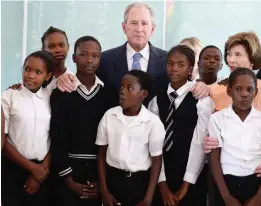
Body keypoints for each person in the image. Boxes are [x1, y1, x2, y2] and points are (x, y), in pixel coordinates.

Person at [56, 3, 209, 106]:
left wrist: (201, 84)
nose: (139, 29)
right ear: (124, 27)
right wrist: (65, 77)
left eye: (144, 23)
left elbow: (186, 84)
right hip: (115, 139)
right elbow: (86, 80)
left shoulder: (169, 61)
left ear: (152, 29)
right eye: (133, 23)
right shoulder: (105, 59)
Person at [50, 36, 114, 206]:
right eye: (84, 55)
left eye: (95, 56)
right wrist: (68, 180)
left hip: (98, 174)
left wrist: (102, 181)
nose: (89, 60)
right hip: (68, 173)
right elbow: (57, 137)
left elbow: (111, 140)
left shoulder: (109, 95)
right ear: (74, 58)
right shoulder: (61, 93)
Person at [149, 45, 212, 206]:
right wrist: (161, 183)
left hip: (192, 173)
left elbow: (200, 141)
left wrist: (186, 184)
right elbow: (153, 144)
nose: (174, 69)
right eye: (170, 64)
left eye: (181, 65)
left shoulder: (201, 100)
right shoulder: (157, 100)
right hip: (162, 173)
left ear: (190, 69)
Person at [209, 68, 261, 206]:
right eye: (238, 89)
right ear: (229, 91)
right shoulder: (217, 119)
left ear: (256, 92)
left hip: (255, 183)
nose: (244, 94)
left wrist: (259, 197)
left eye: (250, 89)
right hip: (225, 183)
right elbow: (214, 158)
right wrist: (226, 197)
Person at [96, 70, 165, 206]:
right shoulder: (109, 116)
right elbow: (101, 154)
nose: (122, 91)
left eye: (129, 88)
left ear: (143, 94)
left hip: (139, 183)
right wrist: (104, 190)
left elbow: (156, 160)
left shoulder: (152, 122)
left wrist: (148, 198)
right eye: (122, 86)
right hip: (113, 180)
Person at [1, 50, 54, 206]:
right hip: (12, 167)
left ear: (48, 75)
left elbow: (54, 136)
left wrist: (41, 170)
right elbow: (2, 141)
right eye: (27, 69)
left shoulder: (52, 98)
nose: (30, 75)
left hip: (44, 169)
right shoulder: (9, 96)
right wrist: (32, 168)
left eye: (38, 72)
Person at [8, 26, 71, 94]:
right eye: (51, 46)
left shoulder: (74, 81)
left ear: (68, 47)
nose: (58, 50)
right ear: (43, 50)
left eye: (62, 45)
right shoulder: (32, 80)